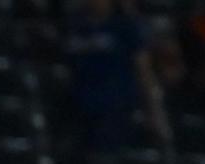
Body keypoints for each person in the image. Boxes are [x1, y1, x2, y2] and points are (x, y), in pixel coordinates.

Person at [64, 0, 169, 152]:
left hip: (116, 107)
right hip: (80, 107)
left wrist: (155, 112)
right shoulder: (75, 26)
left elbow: (144, 72)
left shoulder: (124, 26)